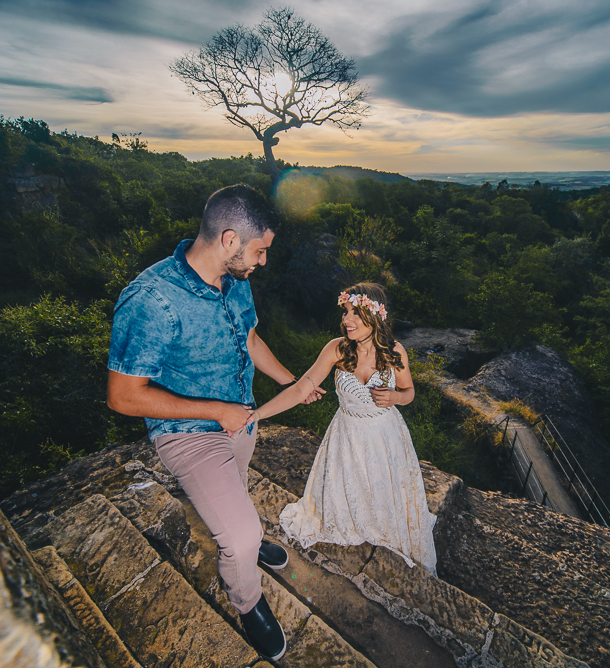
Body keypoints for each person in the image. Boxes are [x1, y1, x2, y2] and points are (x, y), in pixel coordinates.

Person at [106, 184, 322, 661]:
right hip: (188, 433)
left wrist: (296, 382)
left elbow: (249, 338)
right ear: (229, 240)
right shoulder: (150, 299)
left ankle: (246, 542)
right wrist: (215, 412)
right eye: (260, 251)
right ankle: (247, 602)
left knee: (239, 493)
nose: (262, 261)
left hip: (241, 418)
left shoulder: (236, 279)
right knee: (240, 537)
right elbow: (122, 396)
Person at [244, 283, 438, 576]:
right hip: (346, 437)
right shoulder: (336, 349)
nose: (346, 320)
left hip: (385, 438)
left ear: (375, 317)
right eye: (345, 312)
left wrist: (396, 397)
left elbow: (409, 391)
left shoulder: (394, 352)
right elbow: (300, 390)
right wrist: (256, 415)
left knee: (385, 498)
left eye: (355, 314)